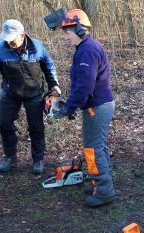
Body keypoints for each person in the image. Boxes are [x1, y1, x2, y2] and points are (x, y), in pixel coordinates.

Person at [0, 19, 60, 174]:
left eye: (12, 39)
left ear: (22, 34)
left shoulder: (37, 47)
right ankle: (9, 157)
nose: (9, 43)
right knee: (4, 124)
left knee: (36, 127)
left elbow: (49, 66)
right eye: (7, 39)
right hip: (10, 93)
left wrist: (53, 84)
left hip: (34, 93)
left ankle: (38, 159)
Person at [55, 9, 116, 207]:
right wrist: (72, 105)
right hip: (97, 105)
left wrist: (69, 107)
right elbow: (82, 85)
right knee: (97, 147)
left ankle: (105, 191)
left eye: (67, 33)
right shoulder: (85, 48)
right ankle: (97, 183)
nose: (66, 37)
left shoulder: (87, 50)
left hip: (96, 107)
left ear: (80, 30)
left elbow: (85, 87)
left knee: (93, 149)